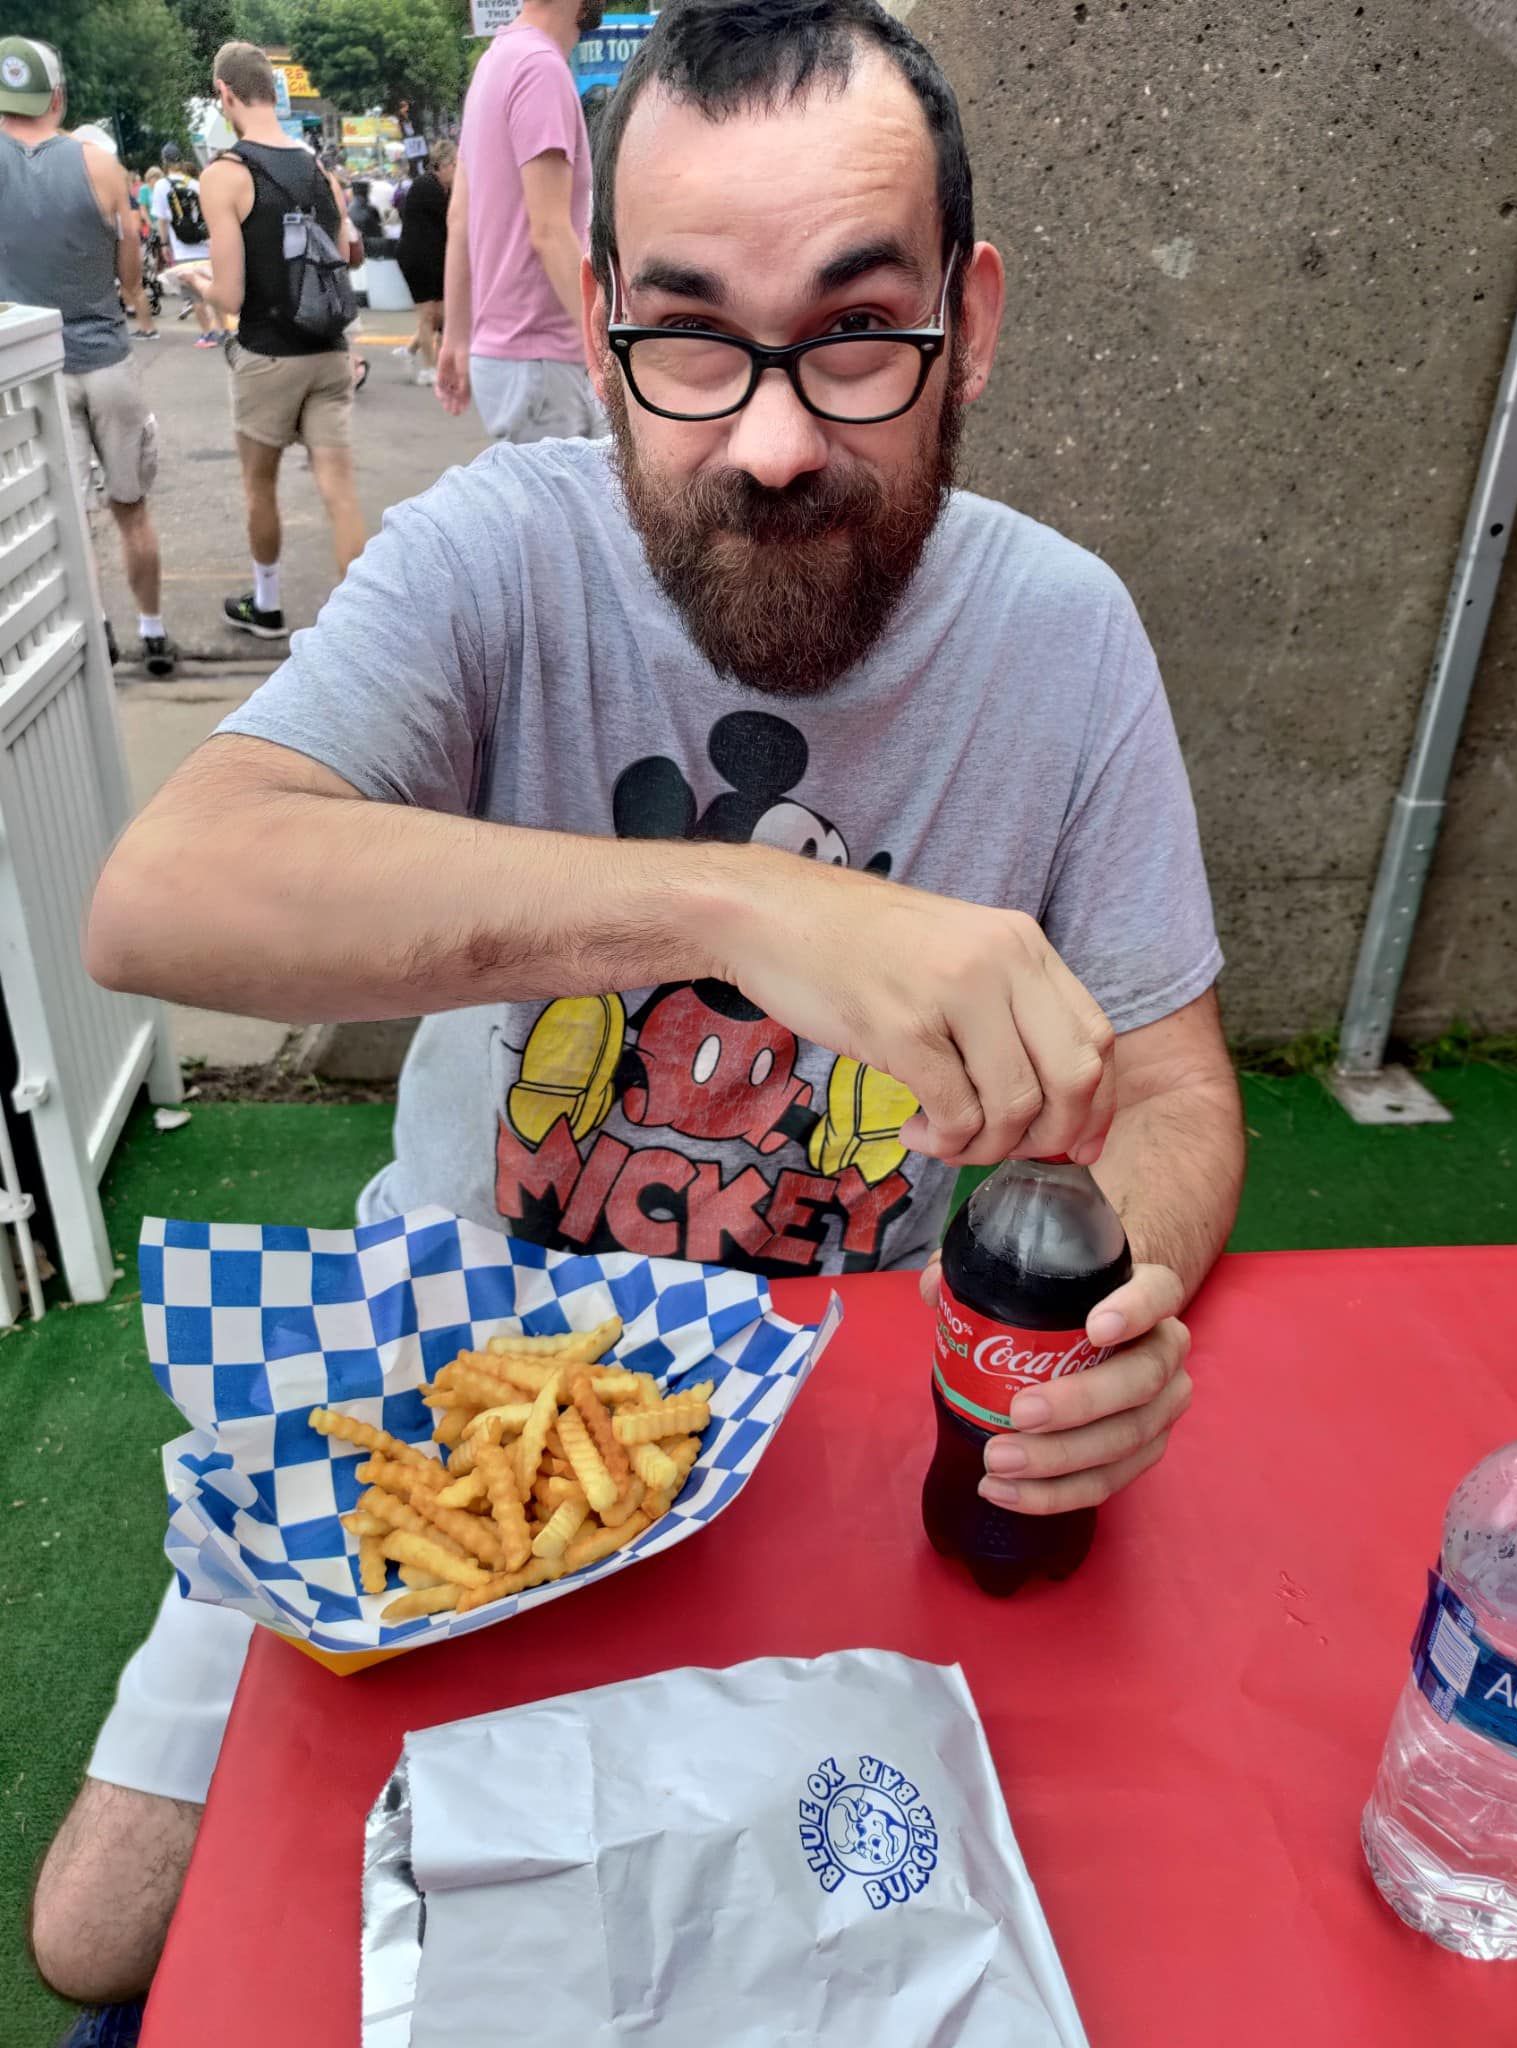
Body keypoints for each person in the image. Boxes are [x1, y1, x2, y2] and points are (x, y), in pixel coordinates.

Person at [36, 0, 1246, 2030]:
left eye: (859, 332)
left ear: (979, 319)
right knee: (103, 1934)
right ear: (596, 324)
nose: (771, 437)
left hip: (856, 1438)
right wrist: (739, 905)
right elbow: (167, 896)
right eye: (690, 333)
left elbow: (1181, 1085)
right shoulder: (503, 555)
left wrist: (1127, 1293)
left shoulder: (1067, 642)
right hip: (431, 1399)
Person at [0, 35, 178, 675]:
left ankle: (96, 632)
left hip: (30, 371)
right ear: (58, 95)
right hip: (105, 359)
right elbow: (131, 258)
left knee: (68, 521)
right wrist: (130, 296)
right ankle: (154, 634)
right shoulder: (101, 165)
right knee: (132, 510)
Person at [186, 40, 365, 641]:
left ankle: (266, 606)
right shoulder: (320, 172)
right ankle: (360, 631)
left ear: (225, 94)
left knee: (259, 486)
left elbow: (231, 296)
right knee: (339, 492)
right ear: (273, 90)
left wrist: (195, 281)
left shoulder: (226, 175)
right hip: (330, 355)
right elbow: (341, 262)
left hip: (267, 357)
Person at [437, 0, 608, 441]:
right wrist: (607, 347)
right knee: (579, 508)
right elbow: (550, 231)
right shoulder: (540, 68)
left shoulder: (496, 60)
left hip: (508, 354)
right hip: (545, 355)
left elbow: (460, 217)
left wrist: (456, 337)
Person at [395, 139, 454, 385]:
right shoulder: (426, 186)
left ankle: (409, 351)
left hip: (437, 257)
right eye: (455, 165)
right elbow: (450, 219)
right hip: (417, 257)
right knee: (429, 314)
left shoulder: (446, 189)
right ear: (443, 164)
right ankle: (429, 369)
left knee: (443, 316)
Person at [150, 142, 220, 348]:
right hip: (204, 245)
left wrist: (164, 244)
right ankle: (222, 330)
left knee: (195, 296)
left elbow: (162, 220)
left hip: (182, 248)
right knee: (210, 290)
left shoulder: (162, 186)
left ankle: (207, 335)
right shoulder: (195, 183)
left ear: (164, 162)